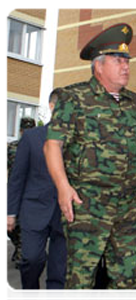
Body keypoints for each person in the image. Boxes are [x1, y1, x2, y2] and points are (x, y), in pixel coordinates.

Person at [44, 23, 136, 299]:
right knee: (81, 281)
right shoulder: (74, 98)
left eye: (127, 61)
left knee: (131, 273)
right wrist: (63, 187)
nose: (126, 66)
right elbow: (52, 145)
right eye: (118, 61)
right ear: (99, 66)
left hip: (127, 206)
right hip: (87, 204)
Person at [5, 89, 66, 300]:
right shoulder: (32, 137)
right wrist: (10, 212)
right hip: (34, 210)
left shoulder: (77, 139)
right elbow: (17, 177)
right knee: (31, 259)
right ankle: (29, 296)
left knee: (60, 269)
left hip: (65, 213)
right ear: (52, 106)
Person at [5, 116, 36, 269]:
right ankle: (19, 247)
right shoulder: (12, 147)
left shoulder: (39, 146)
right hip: (14, 190)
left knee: (24, 223)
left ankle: (22, 254)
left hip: (29, 192)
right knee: (10, 225)